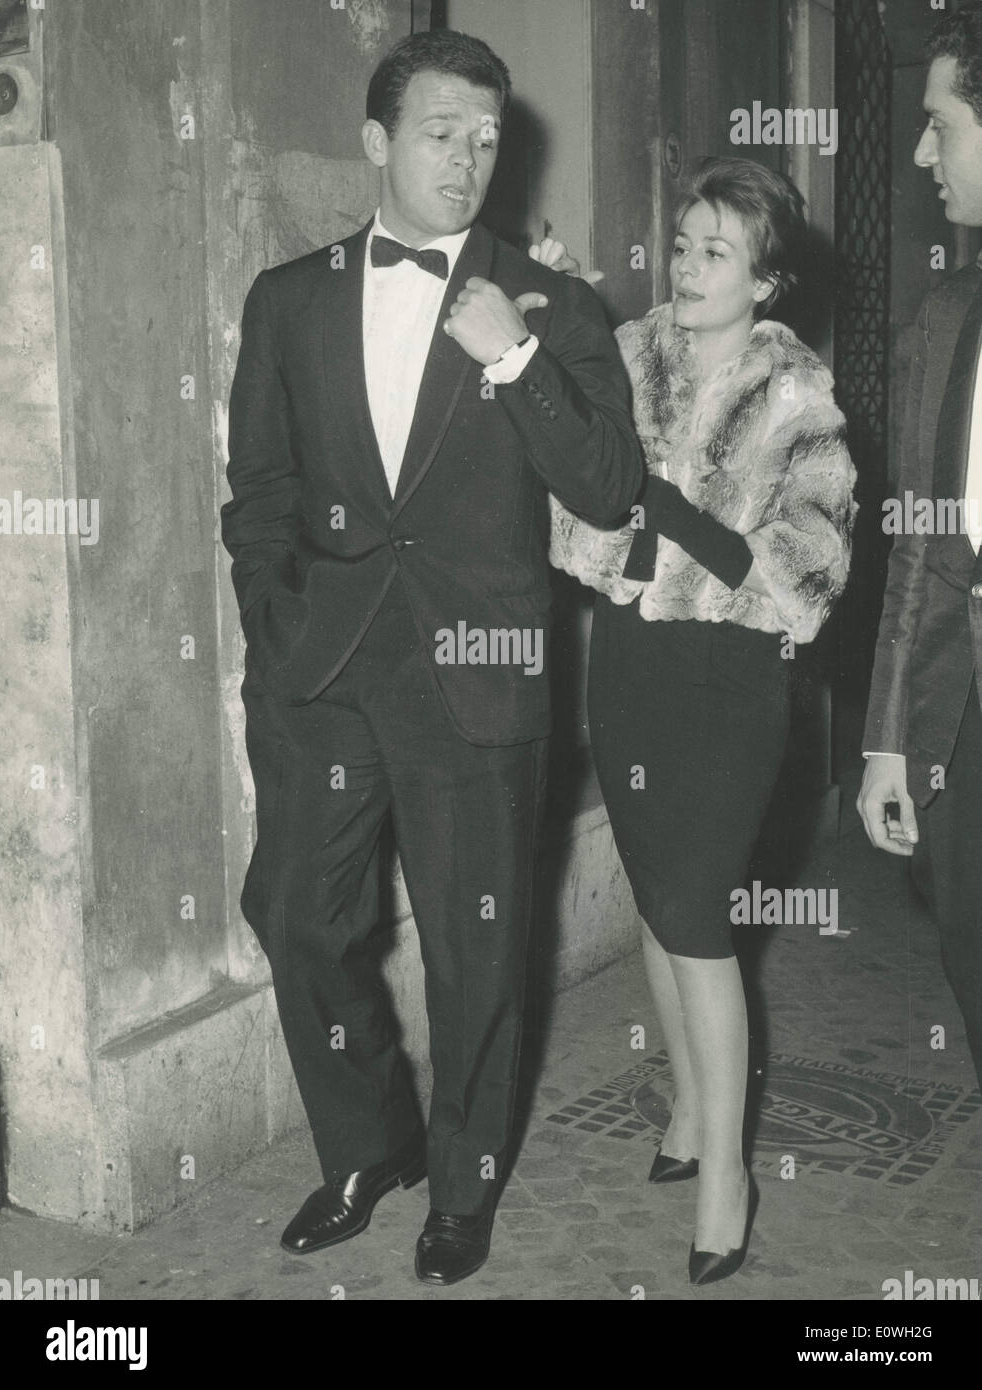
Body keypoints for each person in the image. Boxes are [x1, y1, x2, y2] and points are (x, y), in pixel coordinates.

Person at [219, 29, 642, 1288]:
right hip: (324, 669)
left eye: (486, 136)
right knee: (297, 914)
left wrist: (510, 356)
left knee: (477, 947)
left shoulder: (550, 305)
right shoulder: (287, 299)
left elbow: (611, 485)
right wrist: (275, 622)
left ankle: (460, 1185)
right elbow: (259, 494)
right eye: (439, 132)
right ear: (374, 143)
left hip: (481, 669)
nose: (467, 158)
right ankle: (367, 1144)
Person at [543, 157, 856, 1283]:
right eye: (680, 242)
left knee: (693, 912)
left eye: (714, 250)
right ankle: (683, 1112)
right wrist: (627, 534)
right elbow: (575, 512)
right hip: (630, 665)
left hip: (731, 684)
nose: (684, 265)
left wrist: (665, 516)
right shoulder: (623, 357)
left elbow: (805, 574)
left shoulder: (797, 395)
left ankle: (726, 1173)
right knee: (651, 891)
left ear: (764, 280)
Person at [858, 4, 982, 1091]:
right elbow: (918, 544)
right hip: (963, 728)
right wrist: (888, 739)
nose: (916, 153)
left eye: (937, 124)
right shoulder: (943, 316)